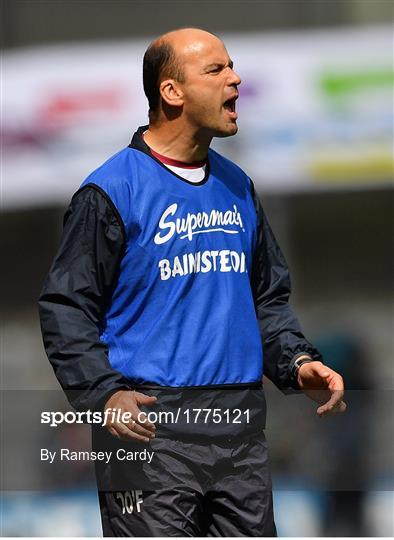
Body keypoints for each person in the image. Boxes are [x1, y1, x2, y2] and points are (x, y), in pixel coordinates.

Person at [39, 28, 346, 537]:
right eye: (217, 70)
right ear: (171, 92)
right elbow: (65, 308)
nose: (236, 78)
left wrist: (297, 362)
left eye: (232, 66)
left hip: (239, 428)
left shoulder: (238, 186)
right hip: (150, 430)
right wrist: (105, 394)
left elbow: (266, 299)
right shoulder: (111, 190)